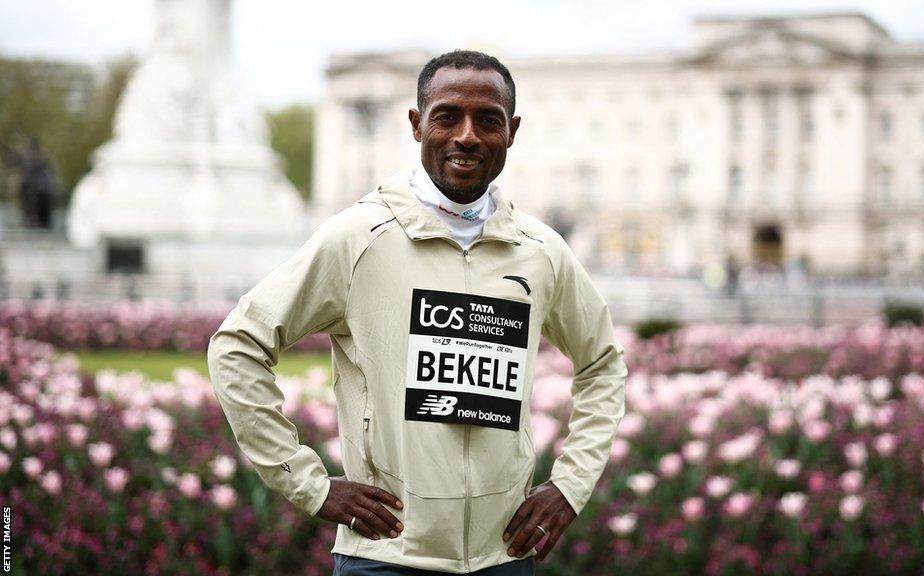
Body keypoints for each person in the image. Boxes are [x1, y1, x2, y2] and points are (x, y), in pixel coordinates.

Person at [208, 50, 627, 575]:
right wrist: (308, 485)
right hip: (387, 557)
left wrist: (569, 486)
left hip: (505, 558)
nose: (467, 136)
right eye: (447, 116)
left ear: (513, 131)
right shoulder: (357, 237)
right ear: (416, 125)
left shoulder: (541, 249)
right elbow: (237, 346)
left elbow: (602, 364)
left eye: (488, 120)